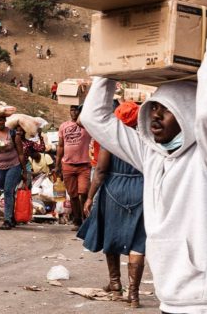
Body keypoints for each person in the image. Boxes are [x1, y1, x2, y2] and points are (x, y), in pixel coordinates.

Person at [80, 5, 207, 314]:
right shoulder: (151, 154)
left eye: (166, 108)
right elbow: (94, 119)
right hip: (172, 300)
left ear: (187, 113)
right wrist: (110, 63)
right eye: (153, 107)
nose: (155, 114)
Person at [78, 101, 146, 308]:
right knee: (138, 242)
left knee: (111, 233)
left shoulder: (111, 140)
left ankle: (115, 283)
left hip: (113, 188)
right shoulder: (146, 140)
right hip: (141, 189)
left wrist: (90, 197)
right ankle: (133, 295)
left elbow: (100, 171)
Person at [0, 114, 27, 230]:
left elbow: (20, 154)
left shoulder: (13, 134)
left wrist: (24, 171)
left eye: (1, 120)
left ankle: (7, 220)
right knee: (7, 190)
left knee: (8, 191)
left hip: (14, 166)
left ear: (5, 121)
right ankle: (12, 217)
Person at [55, 105, 91, 230]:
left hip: (84, 165)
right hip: (67, 165)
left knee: (84, 193)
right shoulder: (63, 126)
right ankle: (77, 220)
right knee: (73, 195)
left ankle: (86, 220)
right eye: (72, 109)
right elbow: (60, 146)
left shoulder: (87, 125)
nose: (73, 112)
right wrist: (57, 165)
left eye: (76, 109)